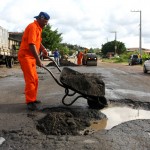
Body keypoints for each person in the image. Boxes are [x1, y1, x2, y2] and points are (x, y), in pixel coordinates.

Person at [18, 12, 50, 111]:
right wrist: (38, 60)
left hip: (31, 57)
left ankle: (33, 99)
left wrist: (44, 49)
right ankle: (30, 102)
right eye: (44, 22)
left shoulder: (38, 29)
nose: (45, 25)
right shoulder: (32, 27)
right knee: (31, 79)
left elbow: (37, 42)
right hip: (25, 56)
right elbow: (31, 45)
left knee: (35, 79)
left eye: (46, 23)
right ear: (40, 19)